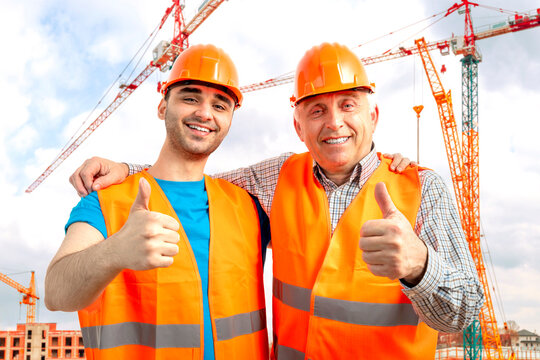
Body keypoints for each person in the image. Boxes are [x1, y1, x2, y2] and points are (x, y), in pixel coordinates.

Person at [68, 43, 484, 360]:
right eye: (317, 109)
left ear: (372, 116)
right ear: (298, 125)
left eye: (348, 105)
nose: (334, 122)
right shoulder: (276, 178)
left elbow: (462, 313)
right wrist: (126, 168)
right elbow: (192, 180)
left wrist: (419, 266)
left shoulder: (422, 187)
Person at [45, 44, 271, 360]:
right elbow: (56, 292)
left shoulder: (249, 208)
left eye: (220, 106)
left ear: (231, 119)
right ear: (162, 107)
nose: (205, 113)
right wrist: (115, 251)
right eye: (190, 98)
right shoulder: (109, 201)